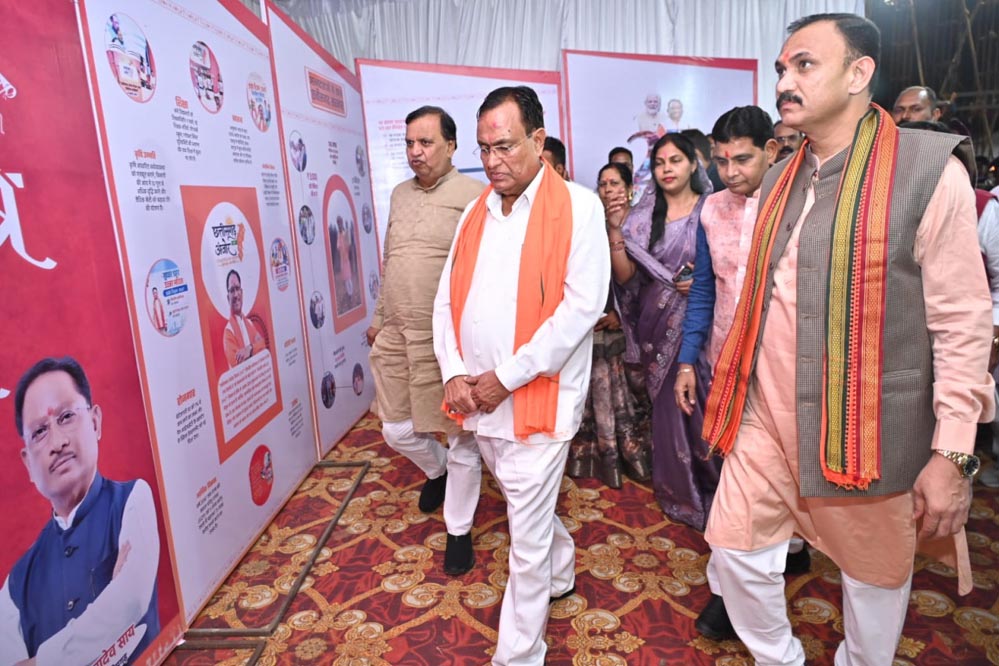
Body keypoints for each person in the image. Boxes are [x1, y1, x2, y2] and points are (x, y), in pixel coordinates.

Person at [702, 14, 993, 665]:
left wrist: (952, 454)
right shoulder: (778, 176)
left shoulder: (927, 170)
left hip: (865, 425)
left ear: (859, 73)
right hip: (765, 418)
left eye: (803, 65)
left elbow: (962, 321)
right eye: (781, 68)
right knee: (734, 552)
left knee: (874, 580)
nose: (785, 81)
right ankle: (780, 657)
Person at [433, 85, 609, 665]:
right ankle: (562, 570)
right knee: (521, 503)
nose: (492, 161)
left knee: (524, 539)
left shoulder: (580, 207)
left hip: (538, 401)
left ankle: (518, 655)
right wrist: (455, 372)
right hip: (477, 401)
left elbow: (579, 310)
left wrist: (504, 377)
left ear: (537, 140)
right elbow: (446, 301)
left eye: (504, 146)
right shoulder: (475, 212)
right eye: (483, 149)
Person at [673, 106, 810, 641]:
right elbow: (705, 291)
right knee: (740, 473)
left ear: (771, 151)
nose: (730, 172)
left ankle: (769, 562)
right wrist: (689, 359)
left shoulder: (799, 203)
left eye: (743, 159)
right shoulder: (711, 209)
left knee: (777, 474)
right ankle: (746, 578)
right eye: (722, 160)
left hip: (787, 367)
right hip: (726, 365)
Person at [367, 106, 485, 574]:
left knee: (462, 438)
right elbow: (390, 258)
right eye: (409, 143)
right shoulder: (399, 194)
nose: (415, 152)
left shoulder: (475, 196)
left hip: (447, 339)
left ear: (451, 146)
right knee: (395, 429)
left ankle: (458, 530)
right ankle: (436, 469)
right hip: (397, 333)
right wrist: (379, 316)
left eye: (426, 143)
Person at [0, 357, 160, 665]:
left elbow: (130, 601)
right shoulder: (15, 586)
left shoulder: (132, 501)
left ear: (95, 422)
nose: (57, 443)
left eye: (66, 417)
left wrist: (38, 661)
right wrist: (106, 616)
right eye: (39, 432)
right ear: (28, 464)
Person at [605, 132, 721, 530]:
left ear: (693, 164)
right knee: (672, 411)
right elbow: (626, 279)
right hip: (656, 328)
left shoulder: (712, 211)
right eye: (659, 163)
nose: (667, 169)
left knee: (705, 407)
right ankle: (681, 493)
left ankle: (719, 488)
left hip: (703, 327)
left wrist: (705, 281)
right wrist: (615, 230)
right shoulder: (641, 219)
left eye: (675, 160)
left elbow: (731, 267)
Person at [568, 163, 652, 487]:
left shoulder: (643, 223)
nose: (608, 190)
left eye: (615, 183)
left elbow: (645, 277)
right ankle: (603, 452)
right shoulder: (592, 223)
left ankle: (644, 449)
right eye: (603, 184)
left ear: (630, 189)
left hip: (642, 316)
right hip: (604, 315)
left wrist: (621, 312)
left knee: (640, 391)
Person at [223, 269, 265, 368]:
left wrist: (249, 349)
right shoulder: (228, 332)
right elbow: (238, 363)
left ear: (241, 293)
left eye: (237, 288)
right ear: (228, 298)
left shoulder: (249, 323)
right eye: (232, 290)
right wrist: (256, 348)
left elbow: (263, 345)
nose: (236, 294)